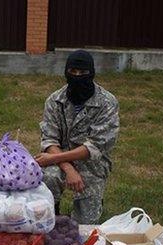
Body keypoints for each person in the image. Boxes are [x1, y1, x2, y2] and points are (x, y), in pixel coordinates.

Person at [35, 50, 120, 224]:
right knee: (47, 183)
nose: (77, 77)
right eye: (73, 72)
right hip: (60, 161)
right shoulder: (54, 100)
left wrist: (56, 158)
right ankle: (52, 218)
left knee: (85, 226)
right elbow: (50, 139)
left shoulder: (107, 103)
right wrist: (68, 168)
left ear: (92, 73)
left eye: (83, 73)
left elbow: (96, 146)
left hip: (92, 165)